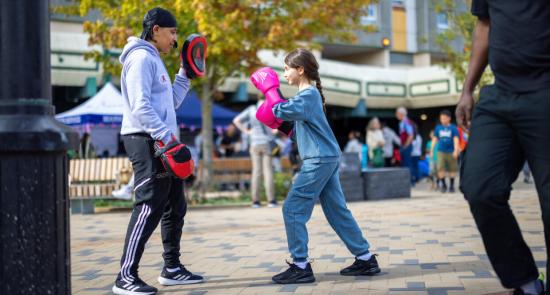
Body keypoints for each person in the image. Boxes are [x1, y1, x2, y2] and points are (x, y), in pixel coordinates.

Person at [255, 48, 380, 284]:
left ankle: (300, 266)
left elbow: (281, 109)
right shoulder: (307, 97)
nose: (283, 73)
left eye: (286, 68)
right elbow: (297, 130)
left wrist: (270, 93)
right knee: (336, 210)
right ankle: (365, 258)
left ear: (300, 70)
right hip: (325, 157)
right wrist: (282, 125)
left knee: (292, 208)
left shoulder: (308, 95)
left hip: (319, 159)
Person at [456, 1, 550, 293]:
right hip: (501, 94)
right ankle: (525, 282)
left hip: (546, 91)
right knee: (479, 187)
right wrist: (467, 89)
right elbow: (485, 25)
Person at [112, 7, 203, 295]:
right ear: (156, 30)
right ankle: (125, 276)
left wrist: (184, 74)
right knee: (149, 205)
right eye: (172, 32)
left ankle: (172, 269)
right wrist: (167, 138)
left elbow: (170, 104)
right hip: (145, 138)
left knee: (176, 205)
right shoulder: (140, 58)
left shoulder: (154, 60)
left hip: (161, 139)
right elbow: (140, 107)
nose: (175, 40)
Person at [233, 98, 277, 208]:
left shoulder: (251, 109)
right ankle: (271, 200)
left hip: (254, 143)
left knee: (256, 172)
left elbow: (236, 120)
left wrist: (247, 131)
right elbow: (276, 127)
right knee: (268, 172)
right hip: (266, 143)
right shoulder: (269, 108)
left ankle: (255, 201)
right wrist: (273, 132)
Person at [431, 110, 459, 193]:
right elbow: (435, 139)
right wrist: (432, 151)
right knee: (440, 168)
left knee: (452, 169)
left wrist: (456, 150)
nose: (442, 120)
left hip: (451, 151)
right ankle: (443, 185)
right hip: (441, 151)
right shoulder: (438, 128)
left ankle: (451, 185)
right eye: (441, 118)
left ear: (449, 118)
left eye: (444, 118)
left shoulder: (453, 128)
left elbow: (456, 139)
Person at [395, 107, 415, 183]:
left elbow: (411, 135)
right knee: (404, 163)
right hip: (404, 145)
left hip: (406, 146)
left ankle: (410, 181)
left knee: (407, 163)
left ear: (401, 114)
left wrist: (406, 145)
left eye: (397, 113)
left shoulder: (406, 122)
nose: (396, 115)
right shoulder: (402, 123)